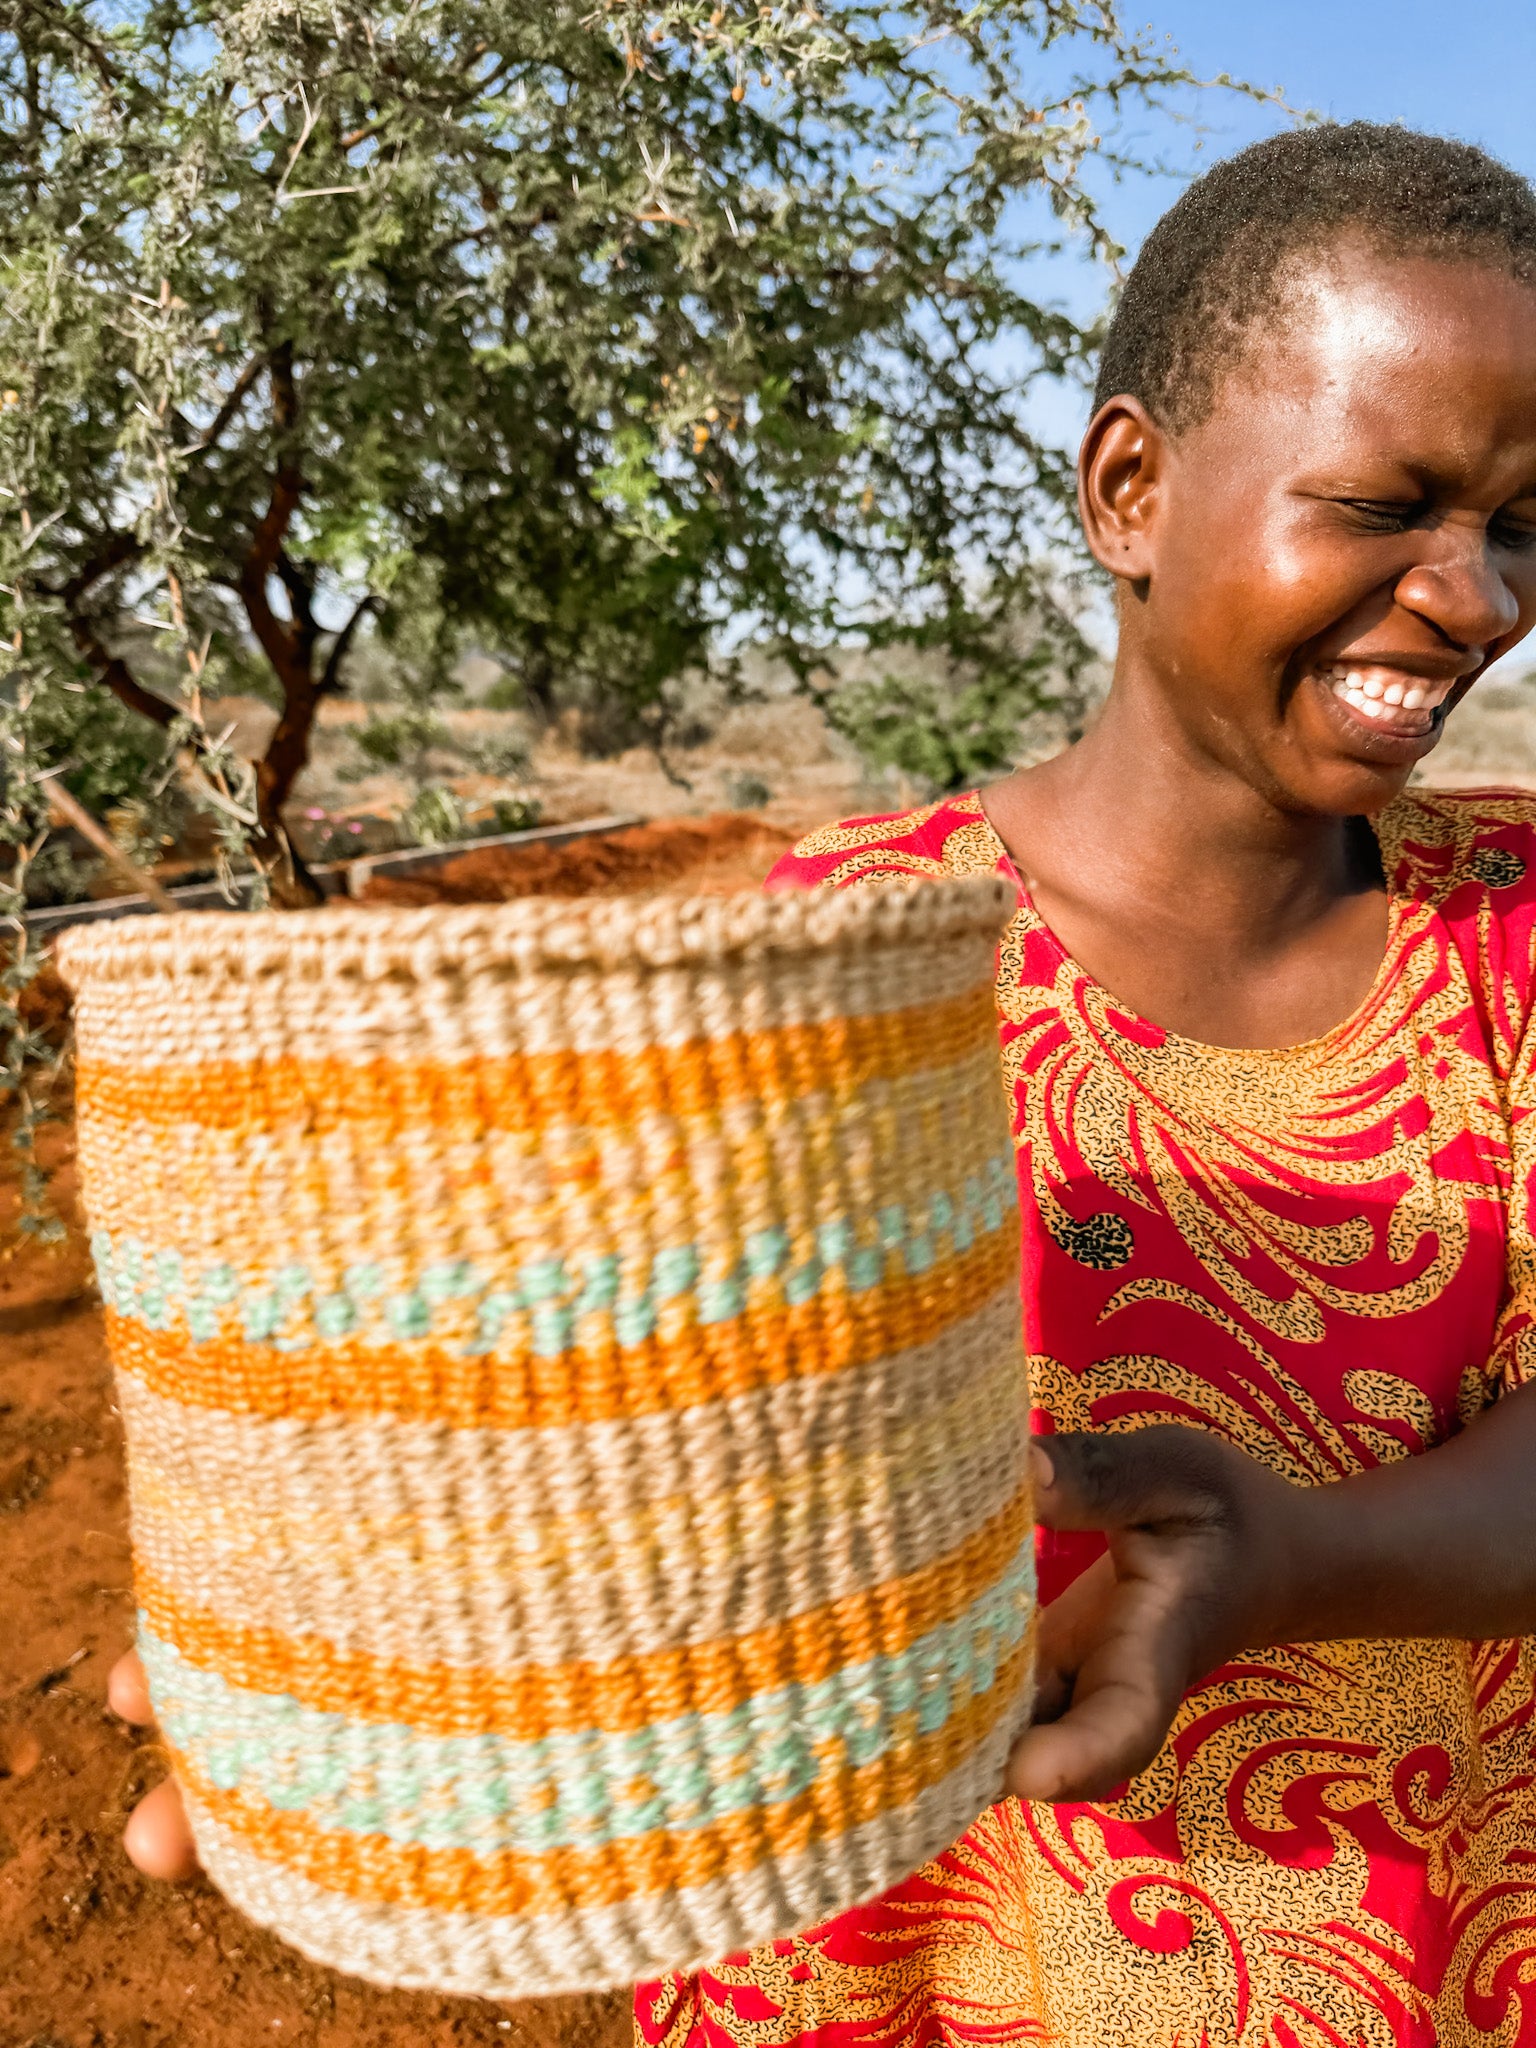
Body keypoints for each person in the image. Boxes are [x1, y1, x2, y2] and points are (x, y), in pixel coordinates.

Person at [111, 122, 1536, 2045]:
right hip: (881, 1973)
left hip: (1408, 1956)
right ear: (1129, 486)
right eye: (1388, 505)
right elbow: (557, 1428)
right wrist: (352, 1662)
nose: (1478, 599)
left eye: (1521, 527)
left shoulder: (1516, 951)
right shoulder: (816, 977)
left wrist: (1289, 1562)